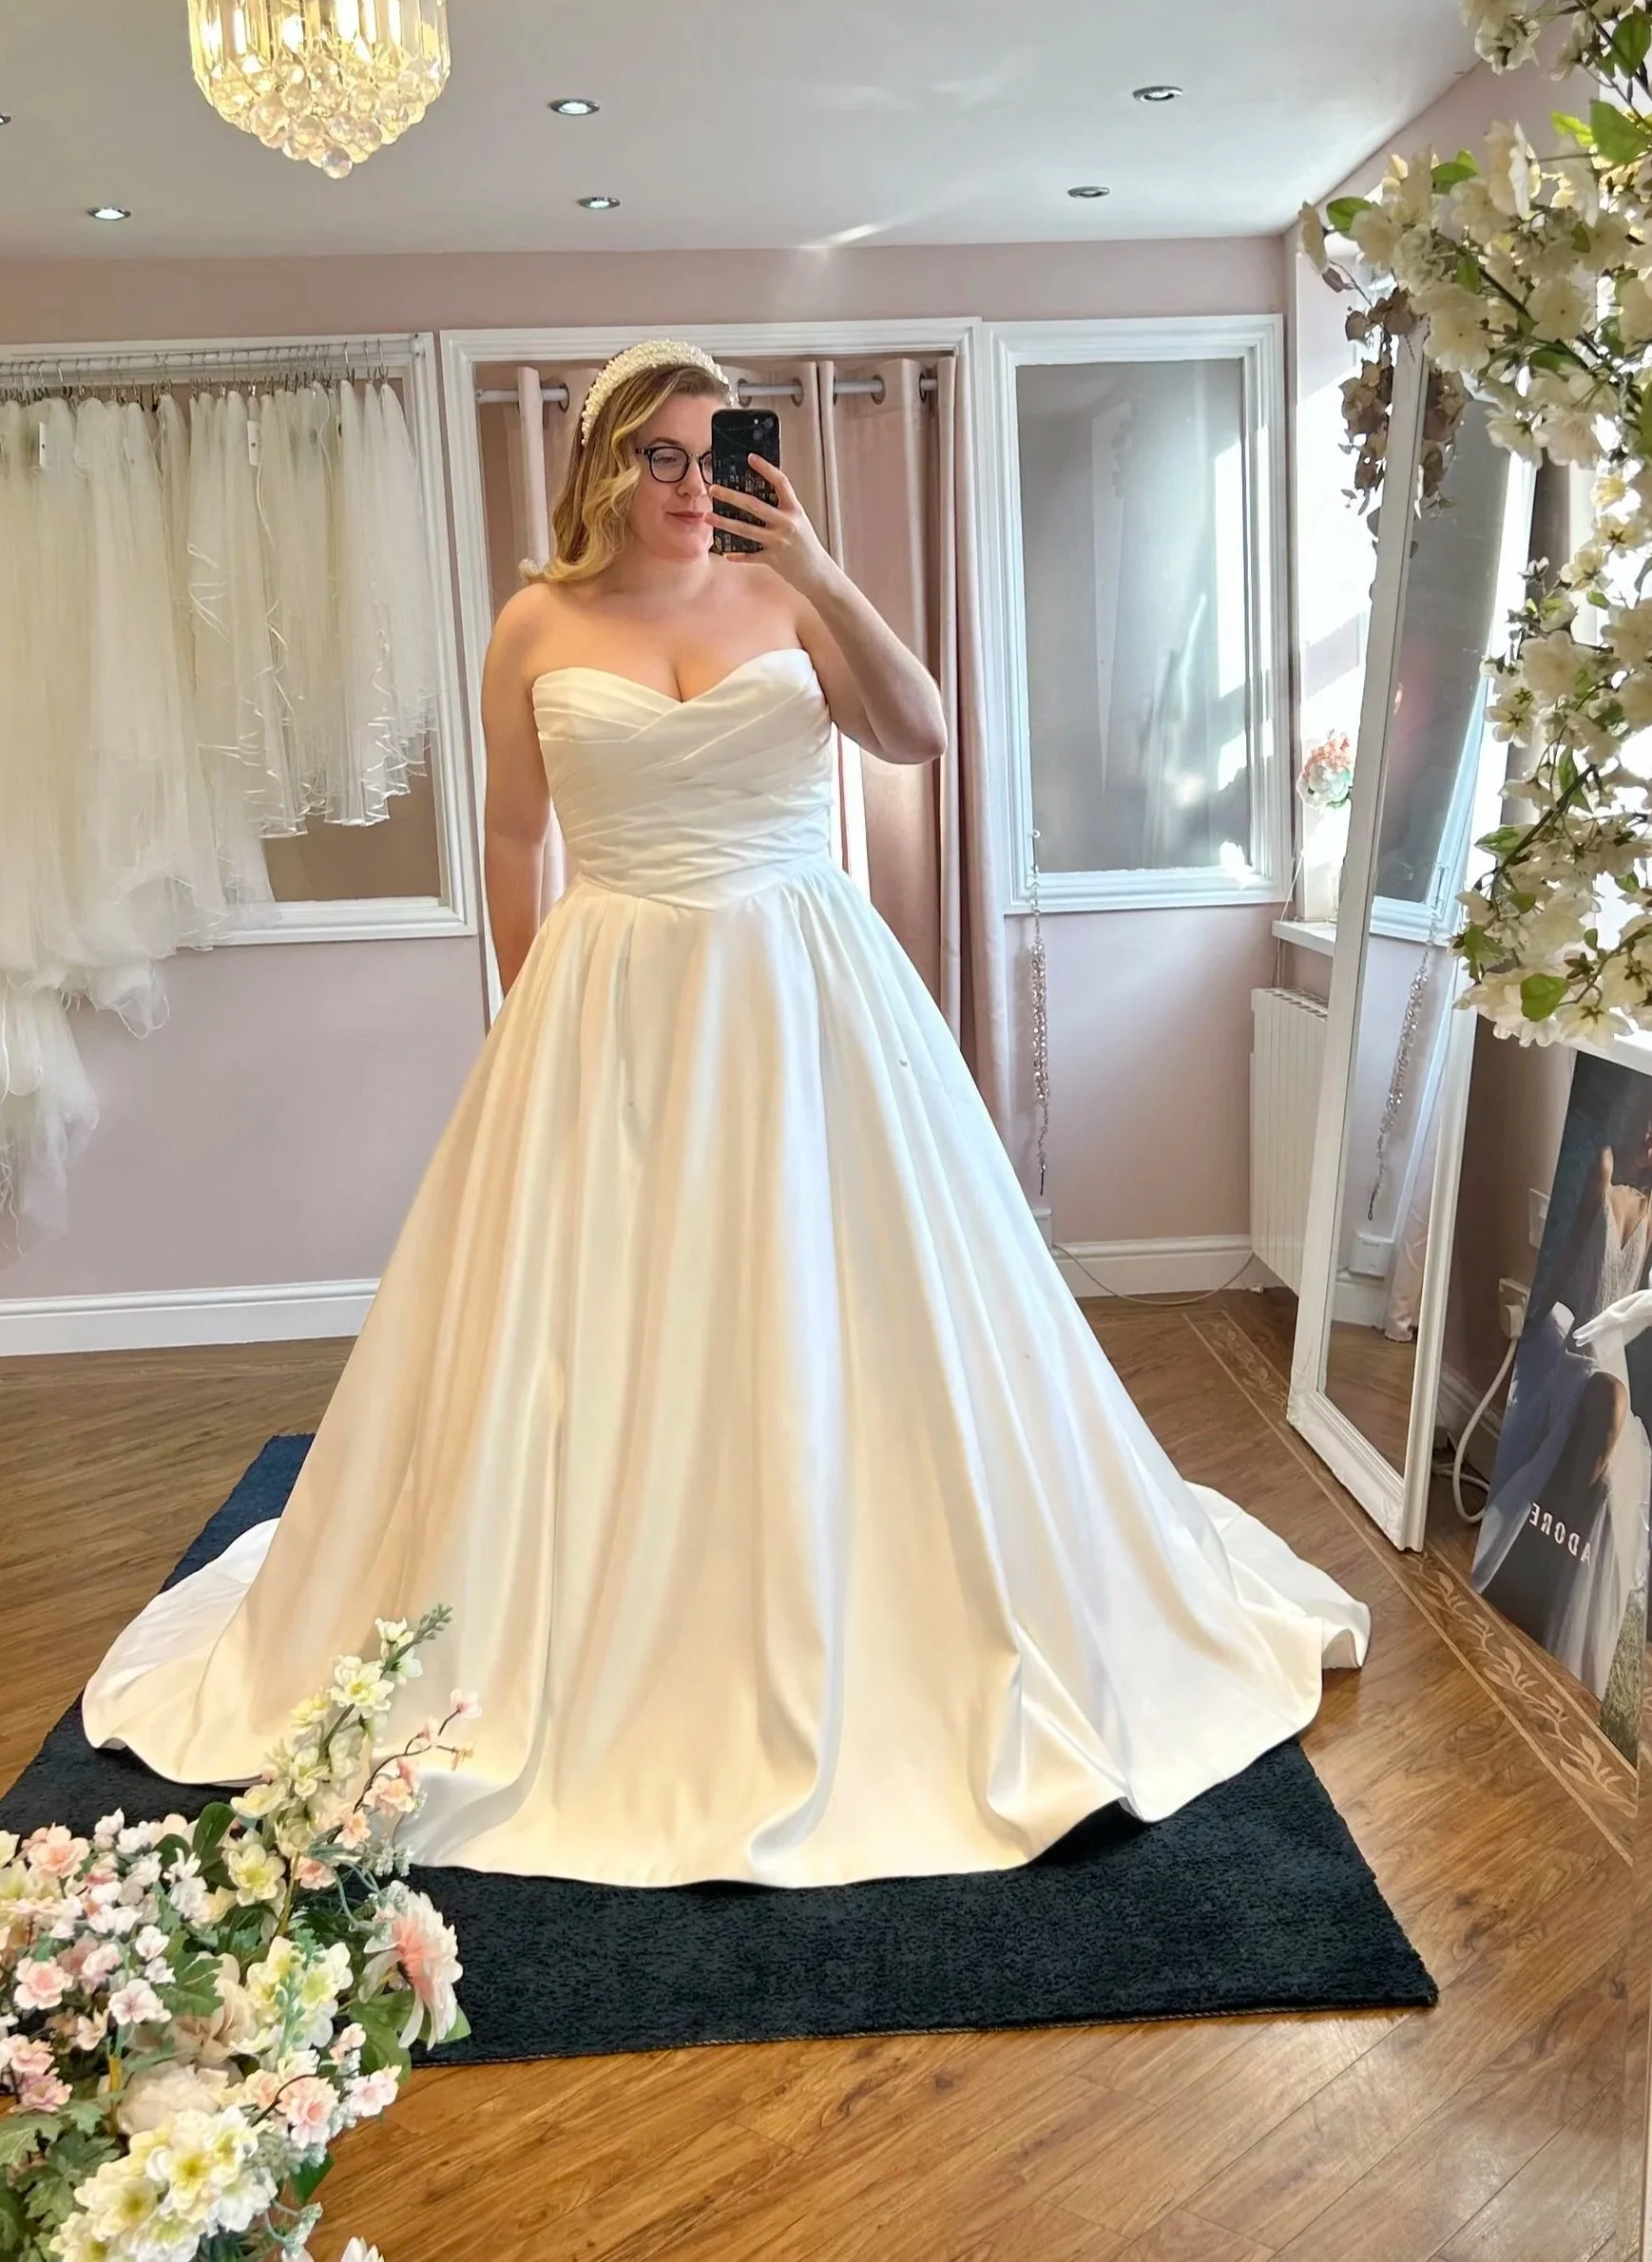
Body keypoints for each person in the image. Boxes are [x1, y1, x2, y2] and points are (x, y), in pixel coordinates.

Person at [85, 339, 1369, 1889]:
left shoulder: (786, 594)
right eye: (662, 455)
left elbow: (917, 731)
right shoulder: (536, 622)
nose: (695, 484)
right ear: (602, 465)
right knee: (604, 1325)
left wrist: (816, 567)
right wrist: (530, 1022)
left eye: (718, 453)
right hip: (610, 992)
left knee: (839, 1298)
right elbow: (512, 837)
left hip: (803, 982)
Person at [1473, 1115, 1652, 1690]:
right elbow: (1569, 1253)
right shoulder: (1603, 1166)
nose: (1649, 1139)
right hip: (1575, 1345)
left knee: (1622, 1472)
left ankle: (1562, 1594)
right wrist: (1534, 1321)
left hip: (1612, 1358)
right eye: (1648, 1127)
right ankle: (1540, 1557)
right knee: (1611, 1401)